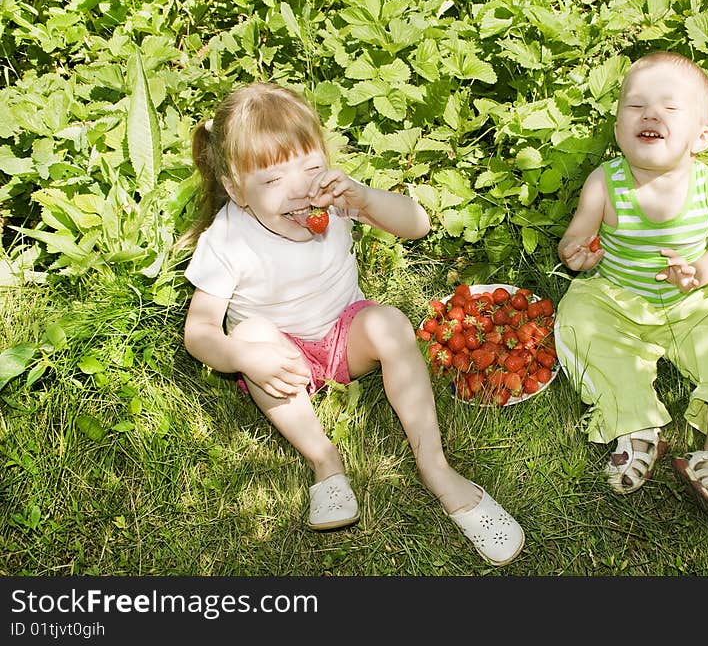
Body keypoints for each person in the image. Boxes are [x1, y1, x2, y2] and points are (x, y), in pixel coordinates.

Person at [179, 82, 524, 565]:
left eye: (311, 167)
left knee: (389, 322)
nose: (300, 189)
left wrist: (363, 198)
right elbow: (199, 332)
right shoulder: (228, 239)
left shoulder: (333, 199)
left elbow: (417, 224)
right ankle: (324, 460)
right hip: (281, 366)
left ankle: (436, 467)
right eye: (273, 180)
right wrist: (242, 355)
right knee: (250, 333)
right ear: (236, 190)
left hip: (344, 336)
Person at [554, 51, 708, 525]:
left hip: (691, 302)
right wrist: (576, 252)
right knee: (577, 323)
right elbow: (576, 236)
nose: (650, 115)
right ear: (618, 130)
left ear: (702, 136)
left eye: (670, 108)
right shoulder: (604, 182)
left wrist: (701, 269)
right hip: (615, 297)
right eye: (636, 107)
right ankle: (637, 429)